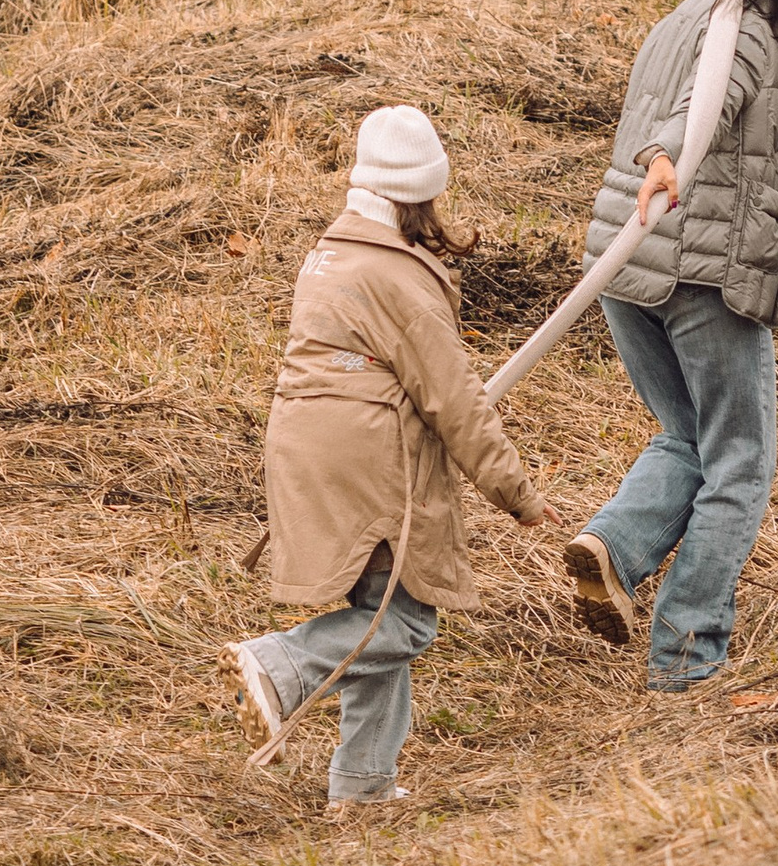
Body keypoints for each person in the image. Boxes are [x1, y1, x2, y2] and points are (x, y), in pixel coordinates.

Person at [561, 0, 778, 693]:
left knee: (685, 437)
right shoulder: (746, 38)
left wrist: (657, 165)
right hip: (700, 273)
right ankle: (686, 657)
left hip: (625, 264)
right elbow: (697, 111)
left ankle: (613, 546)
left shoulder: (688, 13)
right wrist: (666, 157)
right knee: (739, 463)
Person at [224, 103, 549, 814]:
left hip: (308, 442)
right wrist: (517, 492)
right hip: (364, 455)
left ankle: (364, 785)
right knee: (403, 623)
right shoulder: (398, 278)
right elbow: (455, 400)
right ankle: (280, 664)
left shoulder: (334, 252)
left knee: (381, 607)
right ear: (419, 194)